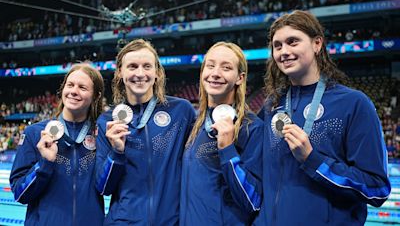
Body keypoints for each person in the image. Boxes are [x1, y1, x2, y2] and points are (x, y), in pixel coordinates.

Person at [254, 10, 391, 225]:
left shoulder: (354, 104)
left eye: (293, 42)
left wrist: (313, 160)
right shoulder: (272, 106)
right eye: (277, 45)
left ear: (317, 44)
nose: (284, 52)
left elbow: (377, 189)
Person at [95, 39, 196, 225]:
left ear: (157, 73)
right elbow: (104, 188)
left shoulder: (181, 111)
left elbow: (198, 167)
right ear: (120, 72)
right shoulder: (107, 122)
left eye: (147, 66)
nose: (140, 74)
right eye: (132, 66)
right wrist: (116, 152)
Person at [10, 63, 105, 225]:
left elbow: (108, 187)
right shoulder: (35, 133)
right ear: (63, 89)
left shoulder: (101, 136)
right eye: (70, 85)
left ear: (96, 96)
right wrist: (44, 164)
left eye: (82, 87)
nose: (74, 91)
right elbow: (20, 194)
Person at [180, 42, 263, 225]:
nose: (215, 73)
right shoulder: (195, 124)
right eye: (210, 66)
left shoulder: (251, 128)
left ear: (240, 78)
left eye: (226, 68)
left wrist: (228, 151)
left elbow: (253, 201)